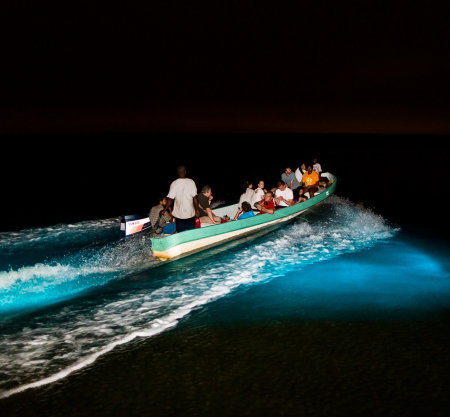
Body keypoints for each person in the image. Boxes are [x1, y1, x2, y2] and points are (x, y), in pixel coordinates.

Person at [161, 165, 199, 233]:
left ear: (178, 173)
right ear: (185, 172)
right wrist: (197, 209)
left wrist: (164, 209)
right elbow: (195, 198)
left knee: (181, 233)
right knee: (191, 233)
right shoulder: (191, 182)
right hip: (190, 214)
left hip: (179, 216)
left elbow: (170, 199)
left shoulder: (174, 183)